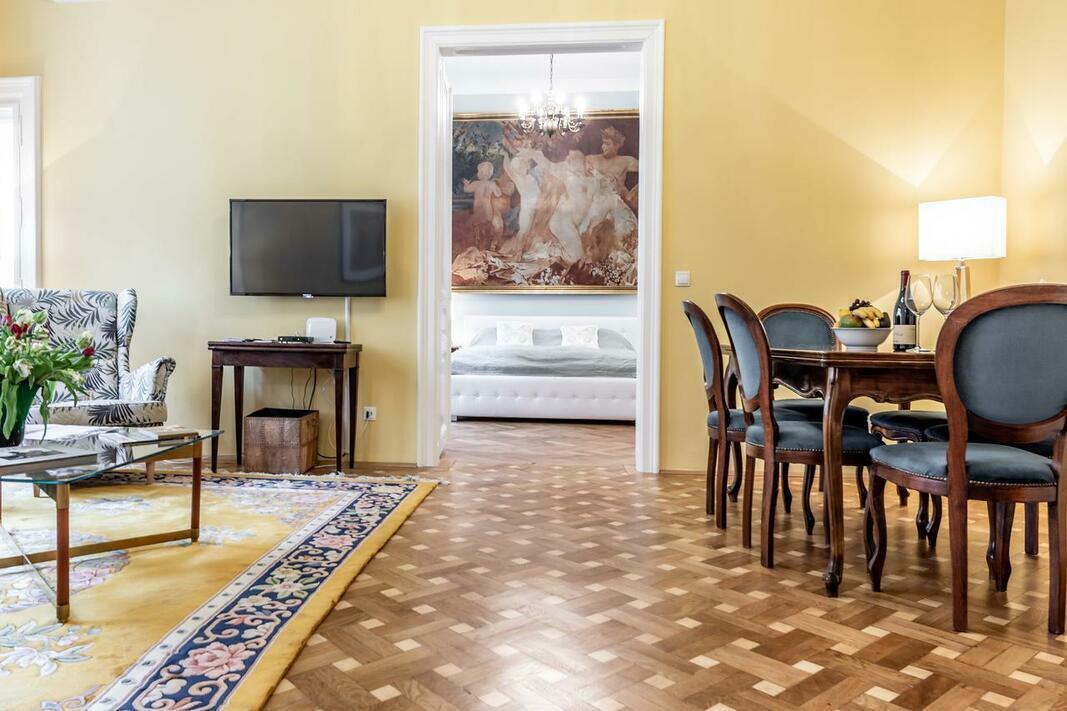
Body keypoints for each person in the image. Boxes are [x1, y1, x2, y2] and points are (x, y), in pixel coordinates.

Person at [585, 126, 639, 212]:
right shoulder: (591, 159)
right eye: (603, 143)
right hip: (593, 205)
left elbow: (649, 171)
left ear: (617, 145)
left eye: (607, 144)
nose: (603, 147)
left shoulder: (627, 161)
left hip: (616, 206)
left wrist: (629, 194)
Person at [462, 161, 505, 245]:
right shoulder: (491, 184)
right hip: (488, 210)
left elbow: (466, 189)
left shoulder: (476, 184)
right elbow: (498, 194)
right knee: (485, 223)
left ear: (480, 173)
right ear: (490, 174)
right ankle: (484, 238)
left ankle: (478, 238)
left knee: (473, 224)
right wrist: (498, 188)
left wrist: (466, 184)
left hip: (478, 208)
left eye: (479, 171)